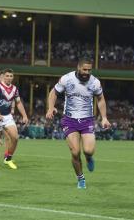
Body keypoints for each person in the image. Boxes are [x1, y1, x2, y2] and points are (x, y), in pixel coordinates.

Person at [46, 59, 110, 189]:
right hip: (70, 120)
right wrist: (50, 107)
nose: (87, 72)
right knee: (75, 152)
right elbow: (53, 92)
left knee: (88, 150)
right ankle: (81, 178)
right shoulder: (67, 79)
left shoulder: (95, 82)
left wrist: (104, 117)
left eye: (89, 70)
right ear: (78, 68)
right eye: (84, 69)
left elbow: (100, 99)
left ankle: (89, 158)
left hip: (87, 120)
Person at [0, 68, 29, 170]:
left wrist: (24, 115)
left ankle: (8, 158)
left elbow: (18, 102)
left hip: (7, 116)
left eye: (11, 76)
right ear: (3, 76)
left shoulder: (14, 89)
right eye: (7, 76)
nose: (9, 78)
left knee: (15, 137)